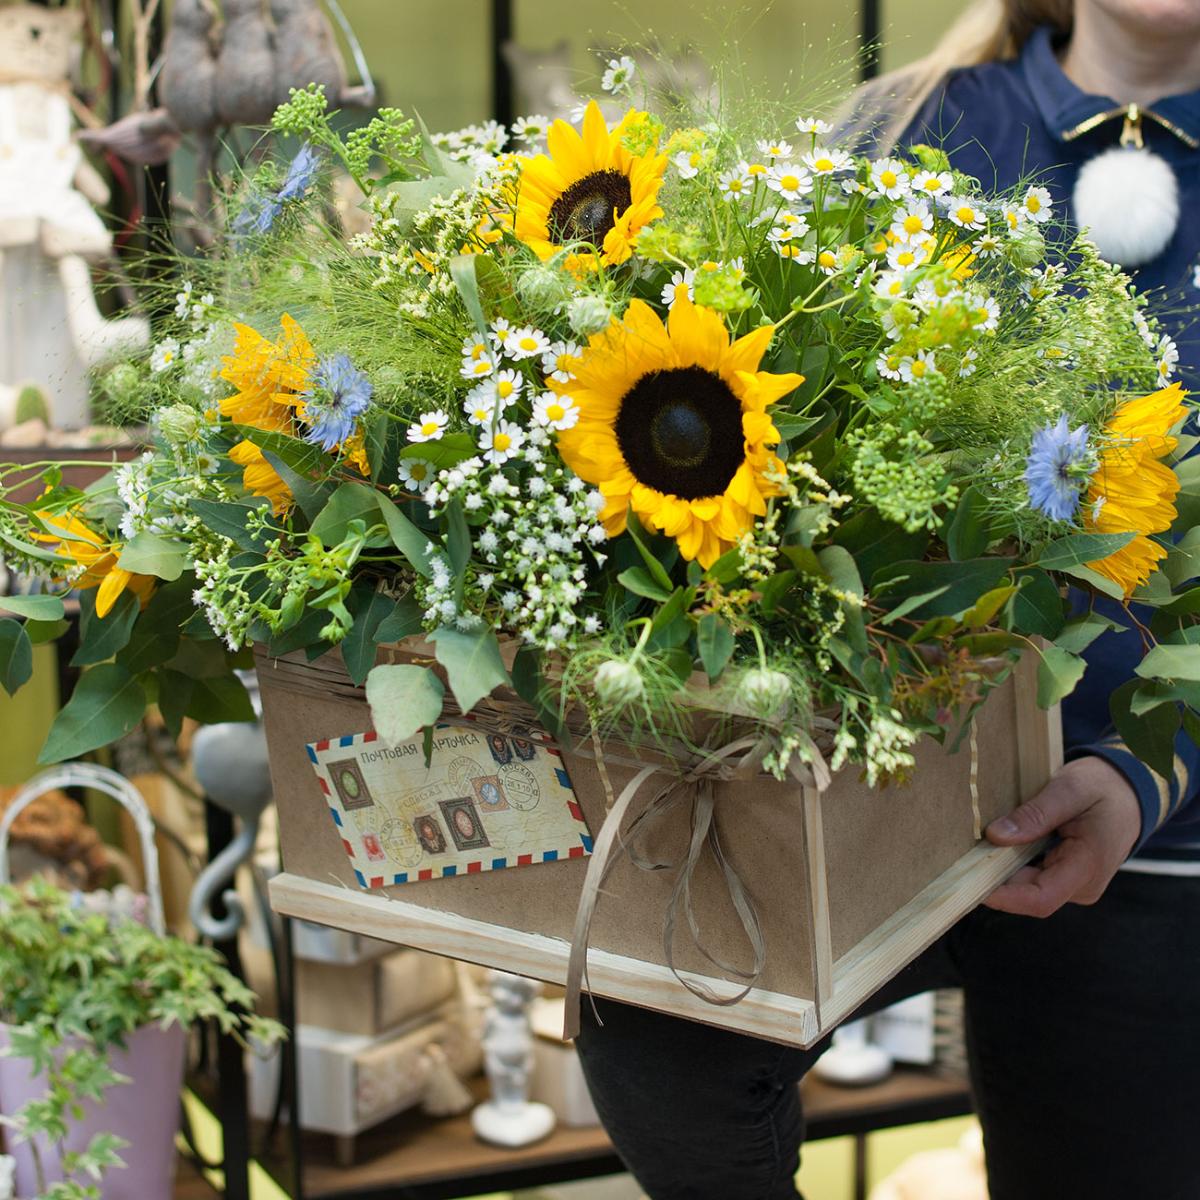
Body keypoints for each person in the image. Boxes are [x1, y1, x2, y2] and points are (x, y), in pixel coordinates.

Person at [574, 4, 1200, 1198]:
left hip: (1156, 844)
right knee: (656, 1028)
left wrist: (1146, 776)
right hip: (860, 793)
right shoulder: (897, 129)